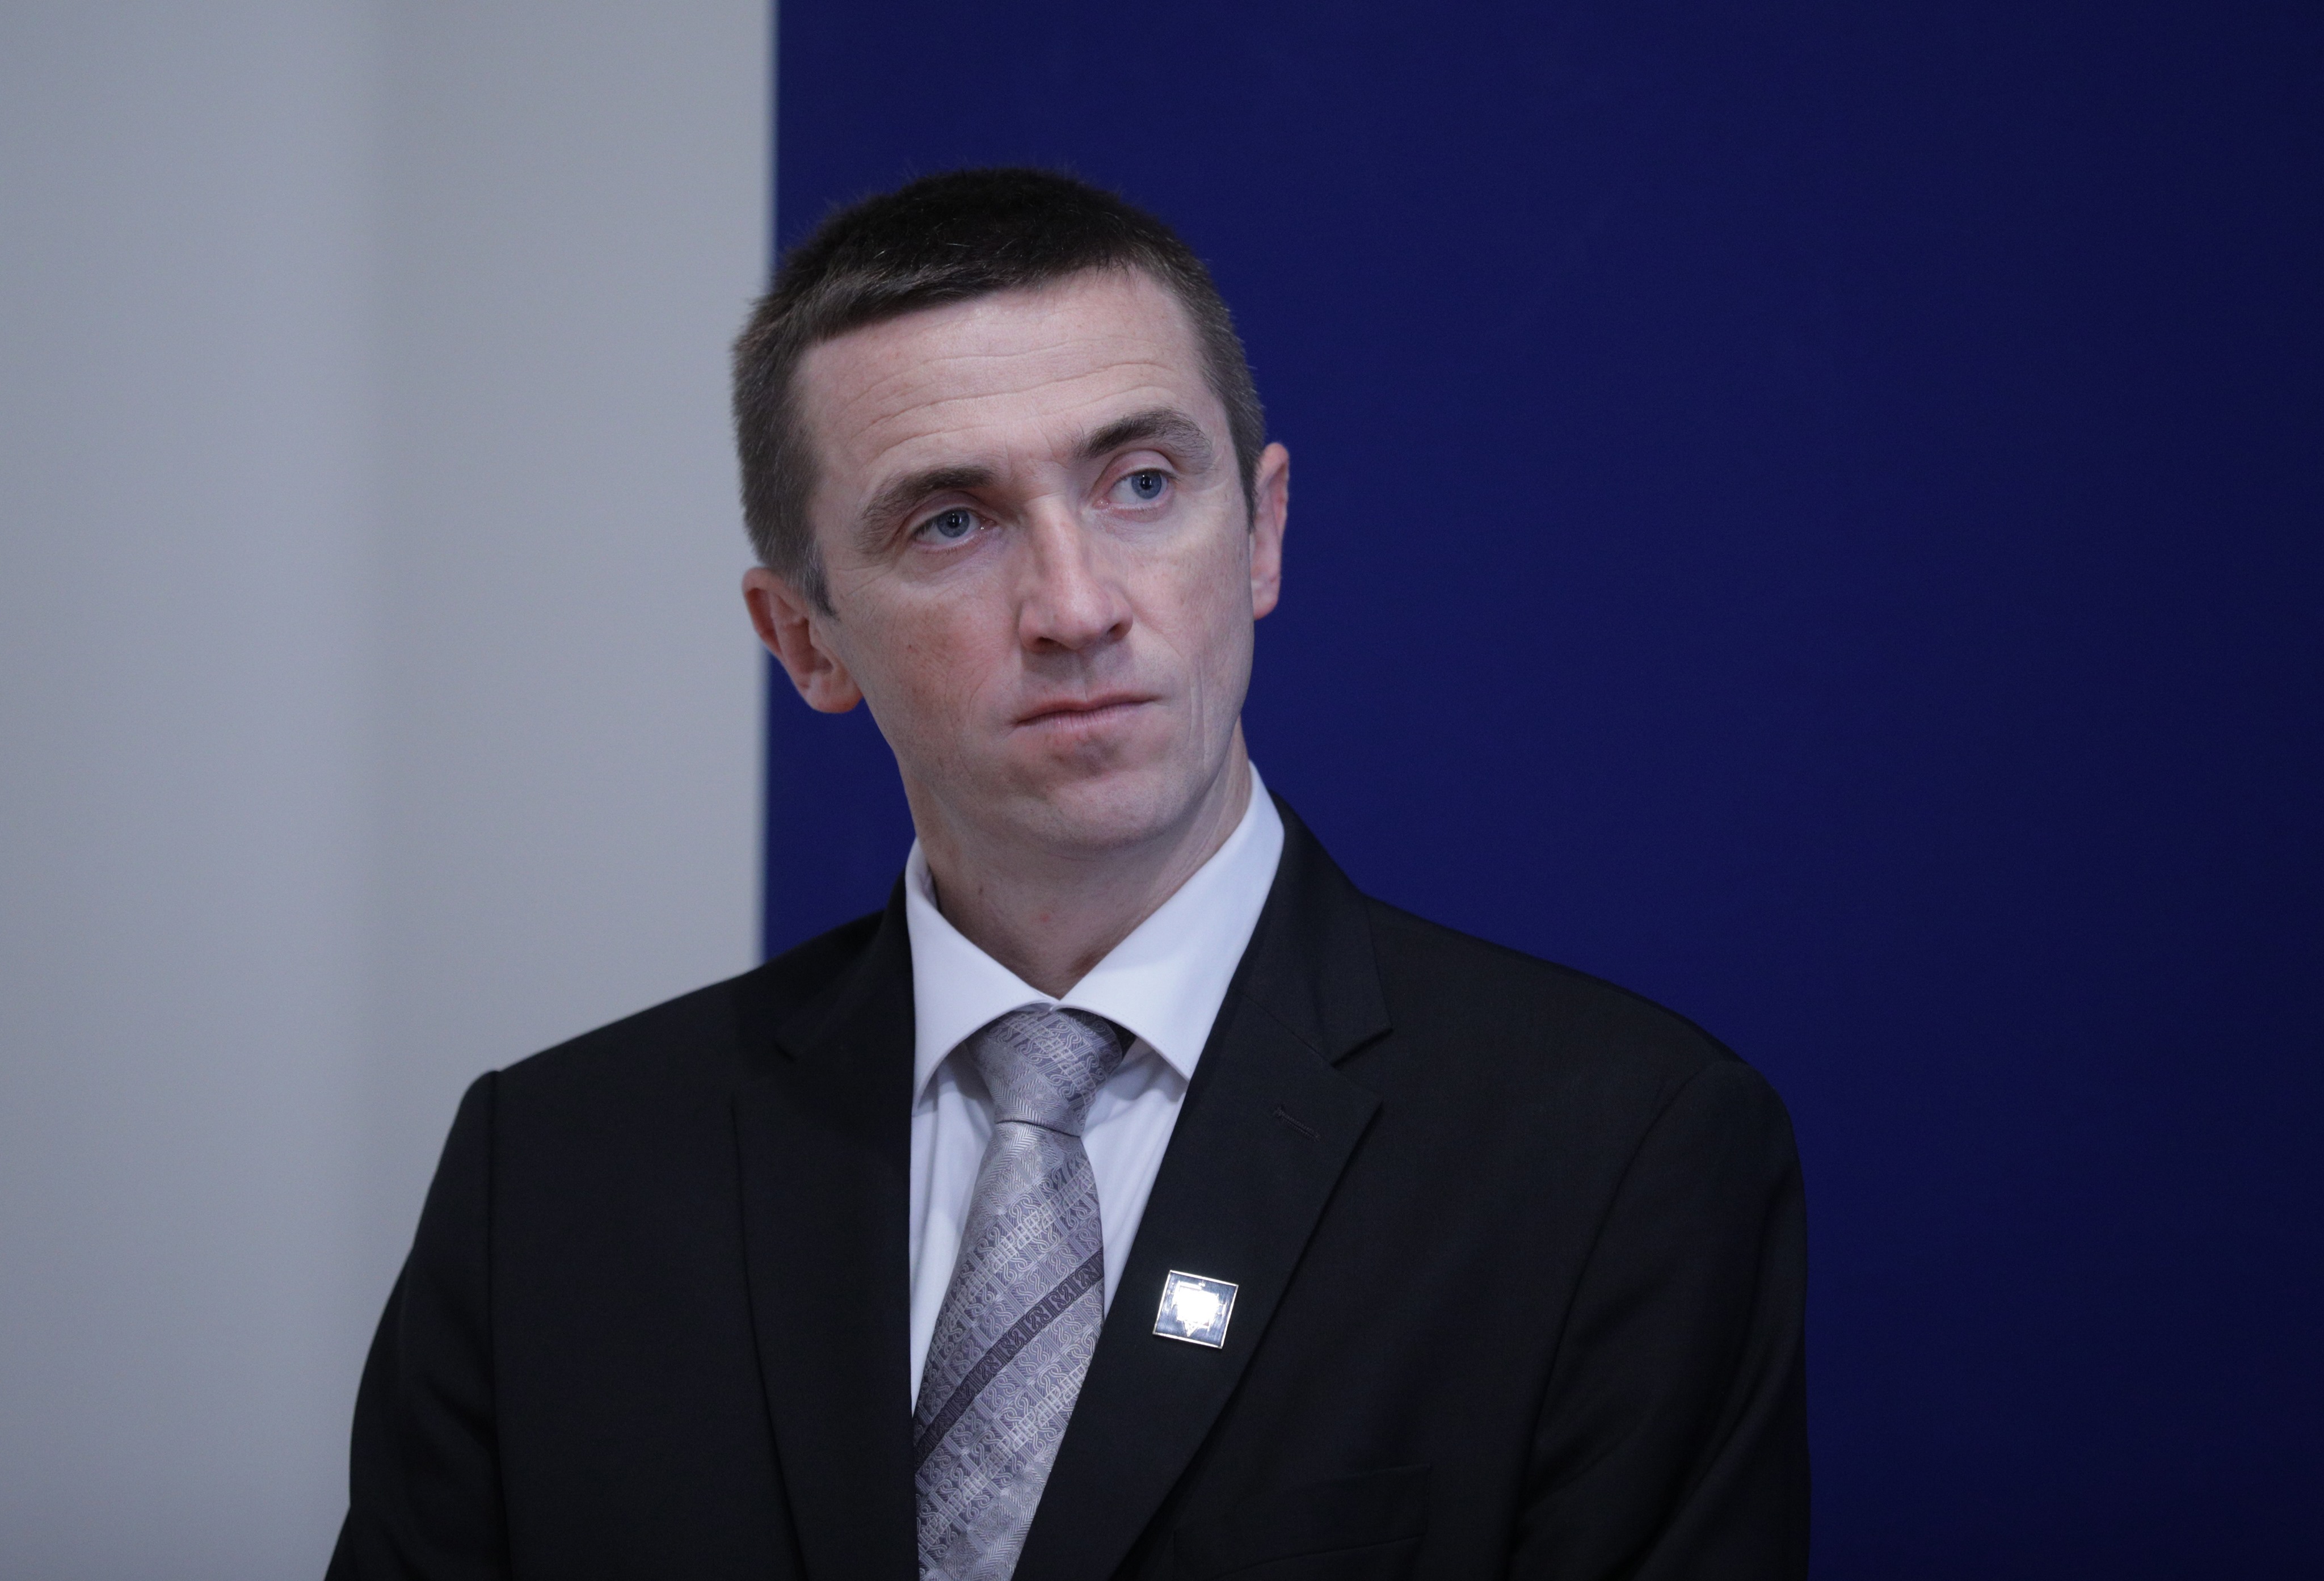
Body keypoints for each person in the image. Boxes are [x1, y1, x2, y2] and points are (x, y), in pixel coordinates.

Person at [329, 168, 1808, 1581]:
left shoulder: (1616, 1156)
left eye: (1141, 483)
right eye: (951, 521)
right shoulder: (555, 1180)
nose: (1077, 606)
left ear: (1264, 534)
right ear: (806, 640)